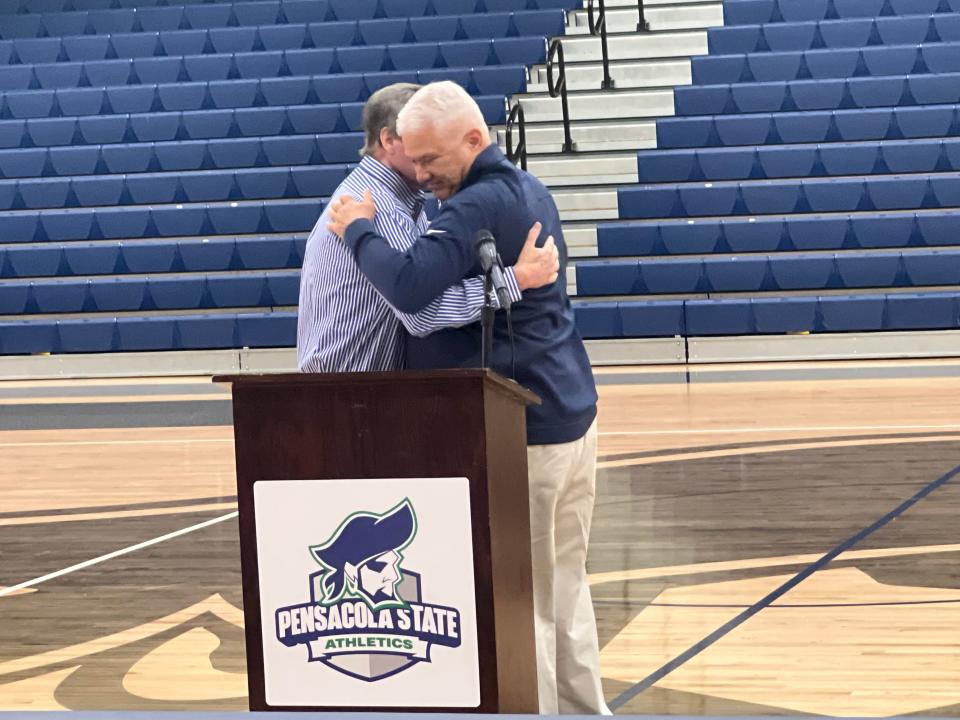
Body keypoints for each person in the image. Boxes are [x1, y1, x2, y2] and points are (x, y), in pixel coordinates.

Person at [326, 81, 608, 715]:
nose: (422, 178)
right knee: (564, 586)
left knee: (523, 600)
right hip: (569, 413)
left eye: (431, 161)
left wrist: (360, 230)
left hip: (527, 432)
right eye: (414, 162)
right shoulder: (528, 186)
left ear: (474, 140)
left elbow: (409, 287)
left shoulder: (476, 204)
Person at [297, 82, 559, 373]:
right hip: (346, 392)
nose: (423, 162)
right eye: (415, 145)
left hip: (353, 386)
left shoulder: (400, 199)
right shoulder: (376, 205)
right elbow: (421, 313)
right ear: (388, 141)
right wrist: (515, 279)